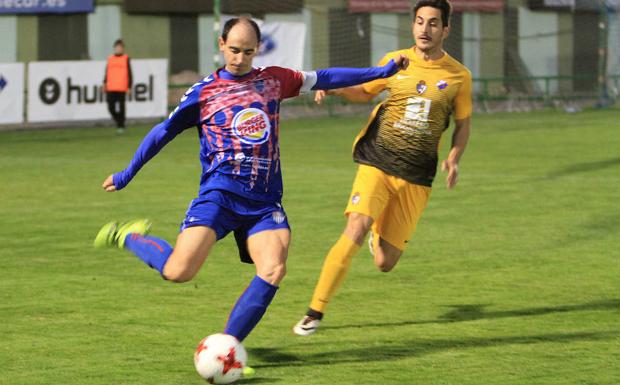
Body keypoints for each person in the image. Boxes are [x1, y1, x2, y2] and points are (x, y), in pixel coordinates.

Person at [93, 17, 408, 357]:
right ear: (221, 45)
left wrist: (380, 72)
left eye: (247, 51)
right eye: (233, 50)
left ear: (257, 49)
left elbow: (325, 76)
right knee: (178, 272)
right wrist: (128, 172)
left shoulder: (274, 80)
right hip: (220, 195)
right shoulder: (205, 92)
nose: (239, 58)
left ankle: (225, 351)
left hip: (263, 202)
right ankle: (131, 236)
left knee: (273, 268)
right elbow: (162, 132)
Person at [293, 0, 472, 336]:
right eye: (419, 21)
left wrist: (454, 156)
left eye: (433, 23)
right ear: (413, 25)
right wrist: (332, 86)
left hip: (416, 176)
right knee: (355, 228)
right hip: (376, 160)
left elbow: (463, 125)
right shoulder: (395, 62)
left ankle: (380, 235)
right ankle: (314, 311)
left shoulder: (460, 76)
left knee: (385, 263)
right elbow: (364, 93)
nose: (424, 28)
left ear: (446, 29)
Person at [104, 39, 133, 133]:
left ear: (123, 49)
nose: (119, 49)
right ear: (114, 48)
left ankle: (121, 125)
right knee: (110, 107)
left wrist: (129, 86)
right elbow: (107, 72)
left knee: (121, 108)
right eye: (117, 47)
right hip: (111, 86)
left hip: (122, 87)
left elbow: (129, 73)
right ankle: (119, 122)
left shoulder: (126, 58)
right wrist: (104, 83)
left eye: (120, 47)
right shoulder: (110, 58)